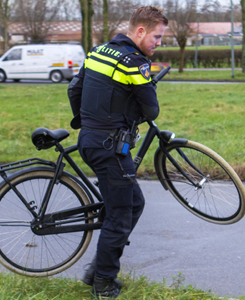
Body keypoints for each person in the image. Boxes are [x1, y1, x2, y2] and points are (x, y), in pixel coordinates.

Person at [68, 6, 168, 299]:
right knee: (120, 213)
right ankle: (103, 282)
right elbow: (152, 109)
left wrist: (86, 123)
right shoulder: (134, 63)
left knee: (134, 202)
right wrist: (146, 87)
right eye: (157, 37)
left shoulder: (98, 52)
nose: (158, 43)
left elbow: (75, 90)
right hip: (110, 147)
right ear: (140, 31)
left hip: (90, 140)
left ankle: (98, 267)